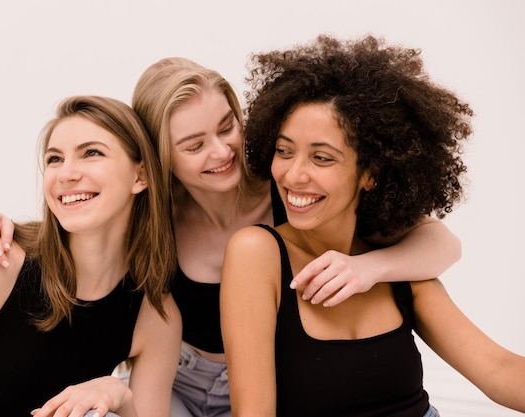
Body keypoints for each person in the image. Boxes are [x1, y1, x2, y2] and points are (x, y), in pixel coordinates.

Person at [0, 57, 462, 417]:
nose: (221, 151)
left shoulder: (289, 190)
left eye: (228, 126)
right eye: (194, 144)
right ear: (158, 159)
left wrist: (371, 267)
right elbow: (76, 223)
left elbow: (443, 243)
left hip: (271, 379)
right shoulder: (151, 218)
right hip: (174, 379)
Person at [220, 34, 525, 416]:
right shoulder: (257, 253)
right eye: (284, 151)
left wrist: (371, 268)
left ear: (370, 173)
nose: (293, 175)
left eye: (322, 158)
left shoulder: (396, 261)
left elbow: (498, 369)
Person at [0, 96, 181, 417]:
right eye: (55, 159)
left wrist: (120, 395)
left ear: (139, 176)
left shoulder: (155, 316)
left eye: (92, 153)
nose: (66, 174)